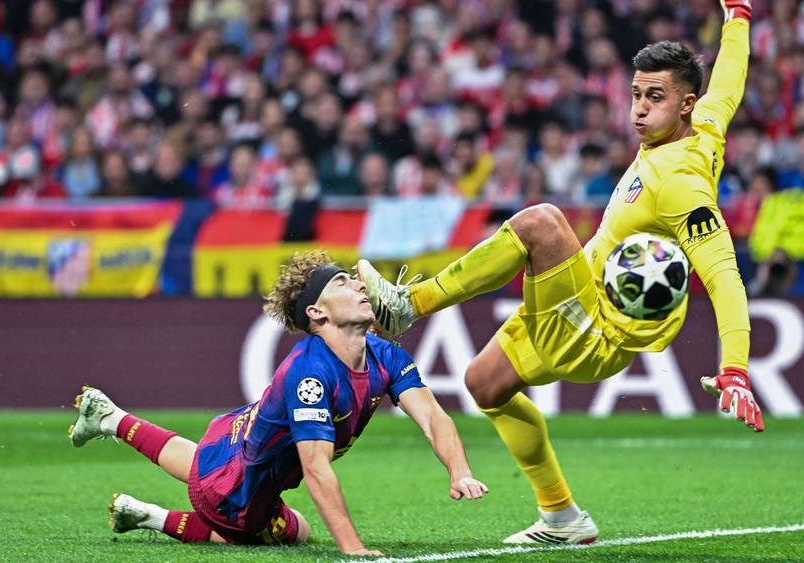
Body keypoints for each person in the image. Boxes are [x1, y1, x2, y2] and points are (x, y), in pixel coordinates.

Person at [357, 0, 762, 546]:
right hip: (580, 298)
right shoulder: (706, 123)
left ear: (685, 104)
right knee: (485, 383)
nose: (640, 110)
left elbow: (723, 274)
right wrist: (738, 15)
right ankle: (562, 517)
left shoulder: (682, 183)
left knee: (542, 223)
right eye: (636, 95)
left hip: (598, 329)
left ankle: (409, 305)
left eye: (655, 98)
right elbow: (730, 79)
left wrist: (735, 367)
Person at [68, 251, 487, 556]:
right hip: (236, 494)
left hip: (234, 443)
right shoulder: (310, 376)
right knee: (290, 531)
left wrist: (459, 470)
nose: (361, 285)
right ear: (317, 313)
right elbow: (316, 467)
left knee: (209, 468)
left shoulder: (386, 355)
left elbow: (433, 417)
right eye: (342, 282)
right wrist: (353, 548)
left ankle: (112, 419)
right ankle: (152, 515)